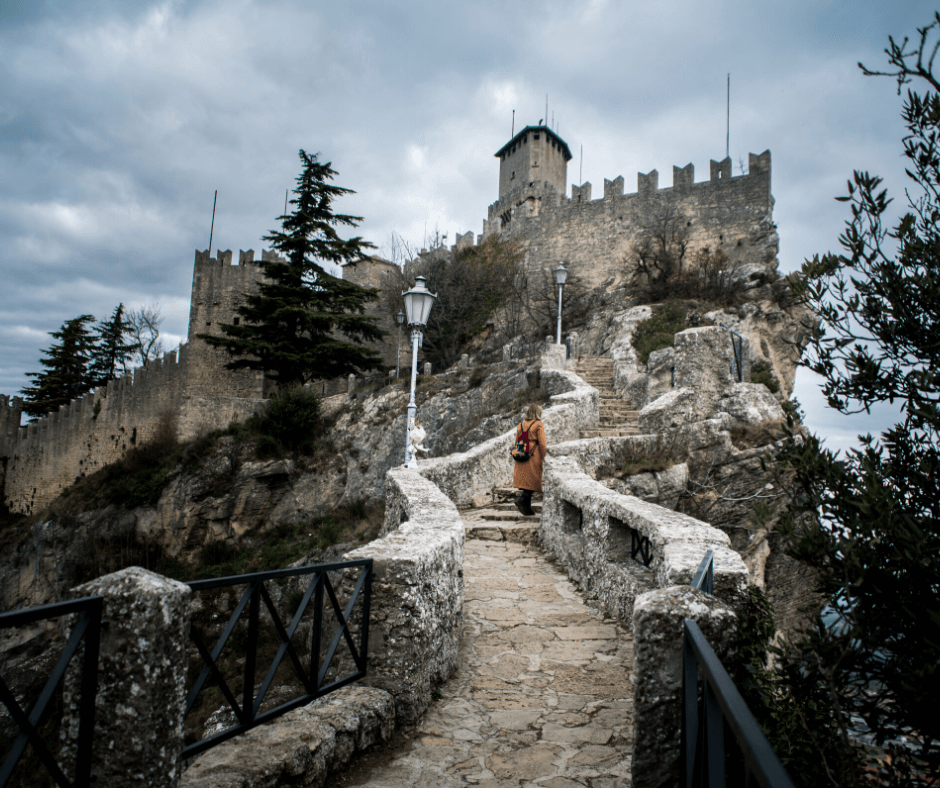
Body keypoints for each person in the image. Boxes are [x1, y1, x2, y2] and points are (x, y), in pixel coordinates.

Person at [512, 404, 547, 516]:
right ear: (538, 413)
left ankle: (527, 507)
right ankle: (523, 500)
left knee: (527, 482)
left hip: (522, 454)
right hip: (533, 455)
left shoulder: (521, 425)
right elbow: (542, 443)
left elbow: (517, 441)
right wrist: (545, 456)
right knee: (533, 480)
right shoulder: (538, 424)